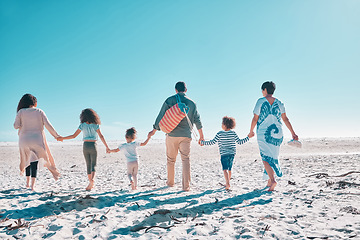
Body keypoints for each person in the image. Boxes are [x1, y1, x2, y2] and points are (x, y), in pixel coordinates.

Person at [148, 81, 204, 191]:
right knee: (185, 159)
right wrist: (201, 136)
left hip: (171, 135)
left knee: (170, 160)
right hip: (186, 135)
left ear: (175, 90)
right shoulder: (192, 103)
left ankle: (170, 183)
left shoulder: (170, 100)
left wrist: (154, 130)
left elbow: (161, 116)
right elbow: (197, 120)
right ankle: (186, 186)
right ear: (186, 90)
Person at [249, 81, 298, 191]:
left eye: (262, 90)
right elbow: (285, 119)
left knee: (265, 157)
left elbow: (255, 118)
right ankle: (269, 182)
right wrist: (293, 133)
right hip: (277, 133)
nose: (262, 92)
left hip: (264, 132)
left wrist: (251, 131)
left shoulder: (260, 101)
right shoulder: (280, 102)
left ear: (265, 90)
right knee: (272, 156)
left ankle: (273, 180)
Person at [14, 94, 61, 191]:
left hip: (24, 140)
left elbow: (16, 126)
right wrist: (56, 136)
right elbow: (48, 125)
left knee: (27, 160)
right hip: (37, 139)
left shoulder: (21, 112)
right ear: (34, 103)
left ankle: (27, 183)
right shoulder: (39, 111)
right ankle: (32, 186)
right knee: (34, 161)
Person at [57, 108, 110, 191]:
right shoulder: (96, 125)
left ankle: (90, 182)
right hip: (93, 145)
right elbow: (101, 136)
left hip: (85, 145)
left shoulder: (82, 125)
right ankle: (92, 181)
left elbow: (74, 136)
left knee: (88, 164)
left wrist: (62, 138)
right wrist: (107, 147)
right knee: (94, 165)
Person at [200, 116, 253, 190]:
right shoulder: (233, 133)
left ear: (225, 125)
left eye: (222, 123)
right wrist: (248, 137)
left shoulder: (220, 133)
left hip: (224, 154)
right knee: (229, 169)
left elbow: (212, 142)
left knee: (225, 169)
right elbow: (240, 142)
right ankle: (228, 182)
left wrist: (203, 142)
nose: (221, 125)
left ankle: (227, 183)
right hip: (232, 154)